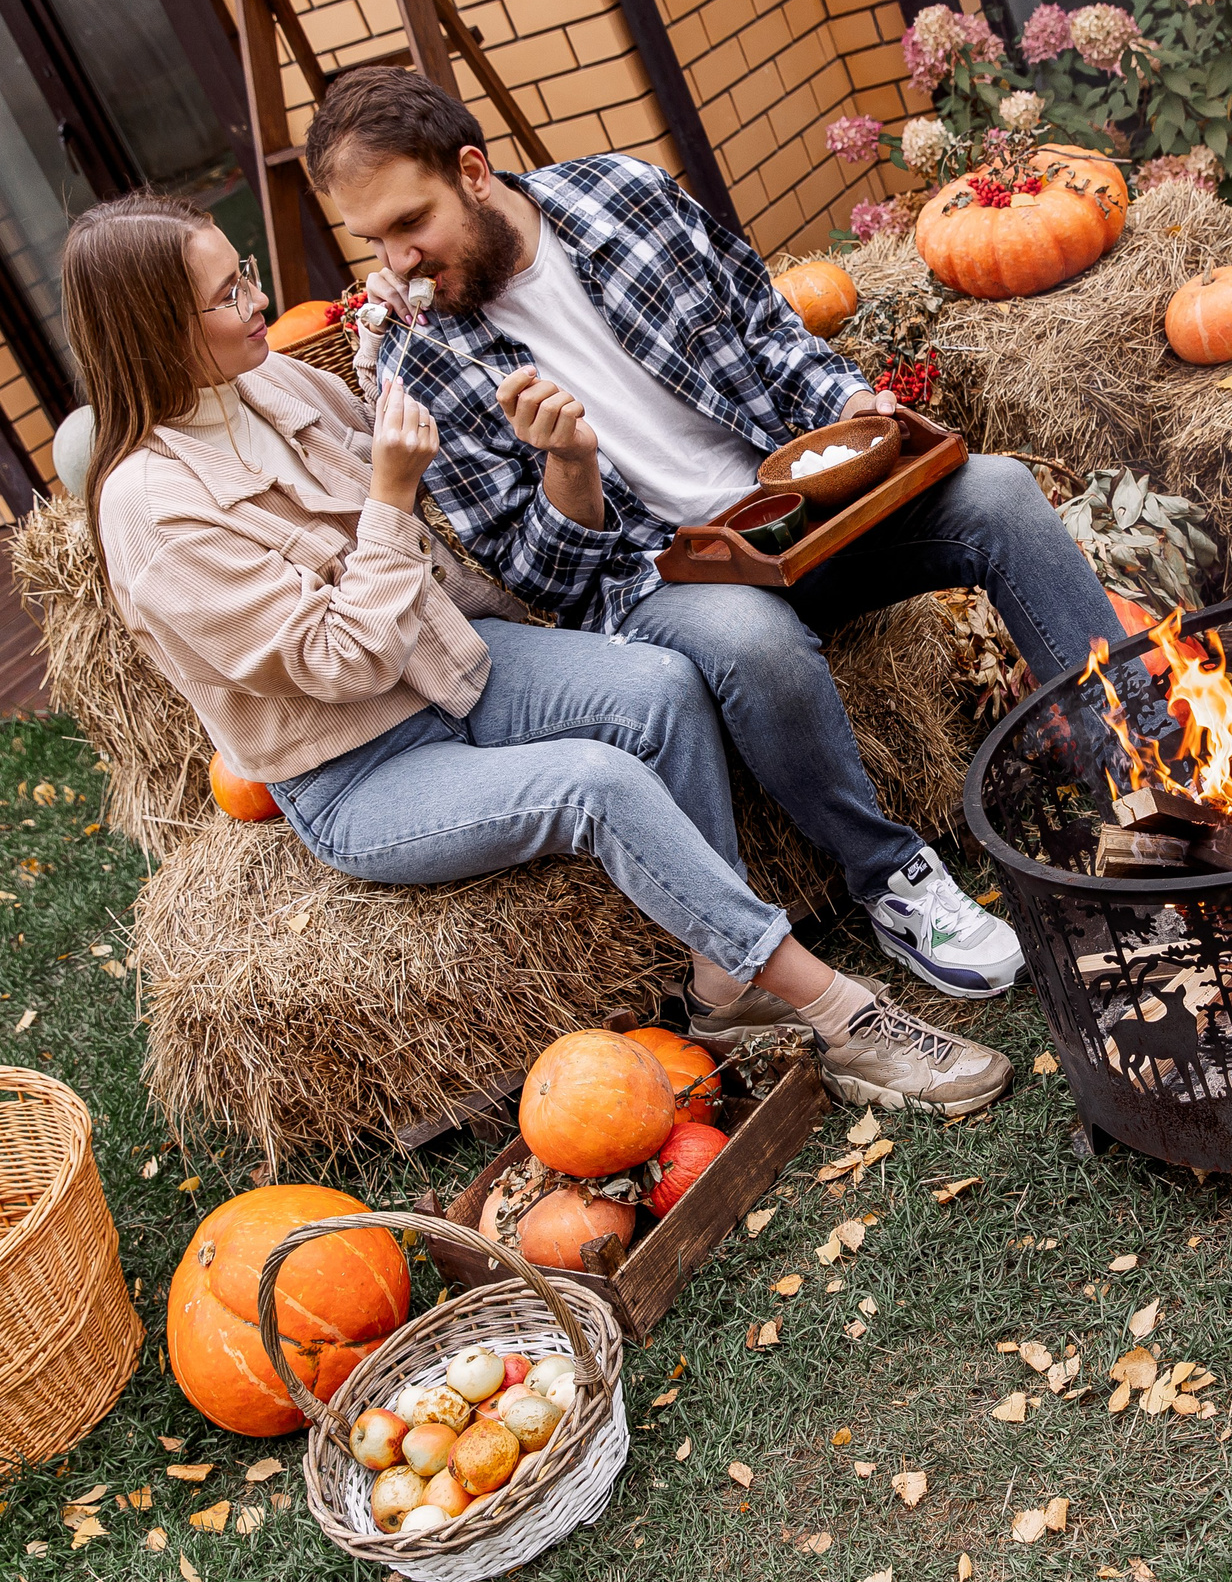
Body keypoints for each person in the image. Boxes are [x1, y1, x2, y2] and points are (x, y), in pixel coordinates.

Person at [65, 192, 1010, 1116]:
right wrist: (390, 497)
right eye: (229, 294)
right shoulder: (150, 512)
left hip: (454, 665)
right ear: (156, 333)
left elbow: (386, 435)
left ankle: (724, 984)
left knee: (664, 686)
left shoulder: (262, 380)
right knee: (594, 784)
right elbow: (340, 661)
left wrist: (405, 360)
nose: (258, 301)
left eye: (248, 276)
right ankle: (842, 1015)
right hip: (362, 763)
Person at [300, 68, 1132, 1006]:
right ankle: (892, 879)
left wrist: (850, 406)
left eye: (412, 224)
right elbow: (542, 581)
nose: (397, 263)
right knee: (751, 640)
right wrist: (568, 469)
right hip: (663, 577)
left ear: (474, 171)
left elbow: (770, 334)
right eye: (373, 241)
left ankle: (1145, 774)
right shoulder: (421, 363)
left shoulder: (628, 197)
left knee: (1002, 493)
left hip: (799, 511)